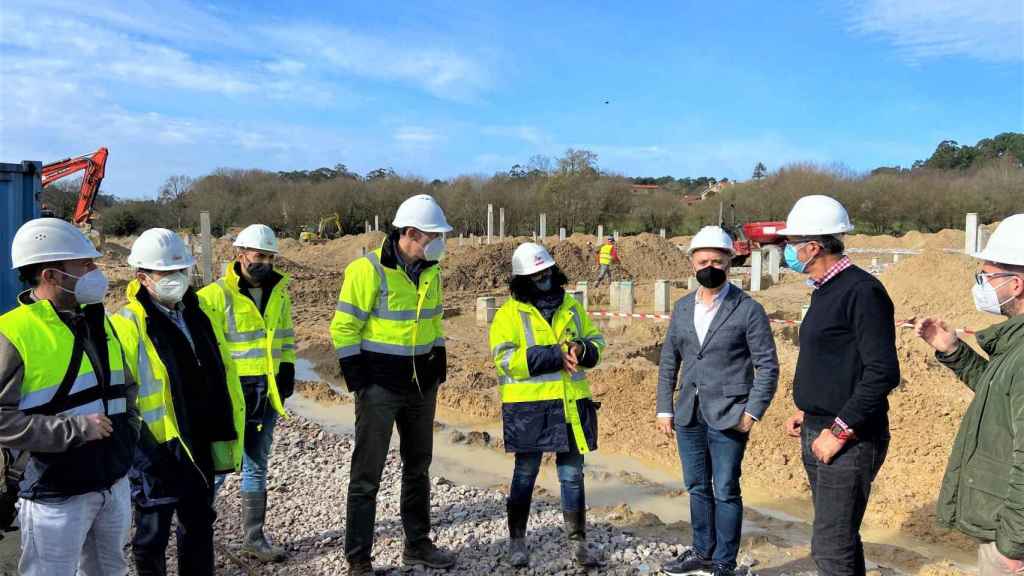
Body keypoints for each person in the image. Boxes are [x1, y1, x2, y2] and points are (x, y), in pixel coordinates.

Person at [0, 217, 139, 575]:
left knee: (112, 570)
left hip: (112, 481)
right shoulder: (13, 334)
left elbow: (123, 388)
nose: (96, 272)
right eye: (85, 265)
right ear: (51, 276)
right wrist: (75, 429)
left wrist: (129, 438)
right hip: (56, 492)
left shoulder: (99, 319)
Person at [331, 194, 456, 575]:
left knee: (418, 467)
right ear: (412, 233)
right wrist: (360, 382)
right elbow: (344, 327)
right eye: (434, 236)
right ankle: (359, 559)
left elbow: (433, 322)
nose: (440, 243)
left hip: (421, 387)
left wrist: (438, 361)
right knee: (366, 476)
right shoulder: (367, 271)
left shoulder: (431, 271)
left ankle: (417, 545)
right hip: (379, 389)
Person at [110, 228, 243, 575]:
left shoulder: (199, 315)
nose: (176, 279)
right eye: (166, 274)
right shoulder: (128, 323)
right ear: (142, 277)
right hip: (155, 446)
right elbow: (121, 395)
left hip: (198, 438)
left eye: (180, 271)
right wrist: (139, 449)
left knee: (199, 523)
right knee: (152, 533)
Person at [780, 195, 900, 576]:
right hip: (819, 425)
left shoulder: (862, 291)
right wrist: (809, 407)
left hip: (850, 436)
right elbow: (836, 360)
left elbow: (882, 371)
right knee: (840, 536)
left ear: (813, 247)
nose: (788, 252)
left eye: (791, 244)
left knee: (829, 545)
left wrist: (840, 428)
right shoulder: (824, 289)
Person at [656, 226, 779, 576]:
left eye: (717, 261)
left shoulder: (747, 309)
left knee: (725, 489)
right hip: (688, 413)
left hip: (729, 414)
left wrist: (752, 412)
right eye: (703, 260)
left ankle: (724, 560)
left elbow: (767, 365)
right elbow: (669, 361)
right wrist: (665, 408)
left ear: (730, 262)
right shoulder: (681, 308)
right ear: (693, 264)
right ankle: (702, 552)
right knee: (696, 486)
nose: (710, 266)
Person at [914, 214, 1024, 576]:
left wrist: (1013, 545)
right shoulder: (1016, 344)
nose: (981, 284)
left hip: (1012, 543)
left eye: (986, 275)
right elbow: (1001, 397)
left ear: (1016, 284)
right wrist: (954, 350)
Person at [489, 242, 607, 569]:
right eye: (536, 275)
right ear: (522, 279)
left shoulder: (571, 306)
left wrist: (583, 350)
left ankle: (578, 543)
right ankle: (517, 541)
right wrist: (555, 355)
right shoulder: (509, 314)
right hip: (530, 409)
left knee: (572, 475)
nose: (543, 278)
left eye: (547, 272)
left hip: (570, 404)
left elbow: (597, 342)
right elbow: (505, 359)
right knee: (526, 473)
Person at [197, 223, 294, 563]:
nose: (264, 262)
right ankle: (196, 536)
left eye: (269, 256)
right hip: (230, 398)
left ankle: (254, 538)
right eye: (258, 255)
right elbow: (203, 352)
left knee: (256, 465)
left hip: (265, 393)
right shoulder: (213, 296)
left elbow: (284, 337)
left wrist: (287, 369)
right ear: (239, 255)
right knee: (219, 467)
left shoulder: (280, 292)